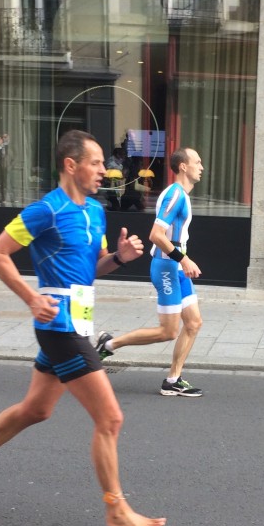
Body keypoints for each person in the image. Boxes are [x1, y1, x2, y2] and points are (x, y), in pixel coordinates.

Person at [0, 129, 165, 526]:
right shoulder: (45, 210)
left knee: (37, 410)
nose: (104, 170)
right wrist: (31, 297)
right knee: (110, 418)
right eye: (96, 163)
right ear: (71, 164)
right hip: (57, 324)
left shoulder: (96, 211)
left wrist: (119, 258)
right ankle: (116, 510)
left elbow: (91, 268)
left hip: (79, 321)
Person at [95, 147, 204, 398]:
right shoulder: (175, 195)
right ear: (183, 166)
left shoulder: (182, 195)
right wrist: (184, 259)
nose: (202, 167)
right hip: (167, 268)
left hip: (176, 267)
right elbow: (156, 235)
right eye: (197, 162)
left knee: (193, 323)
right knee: (168, 331)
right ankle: (108, 344)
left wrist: (183, 261)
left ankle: (173, 380)